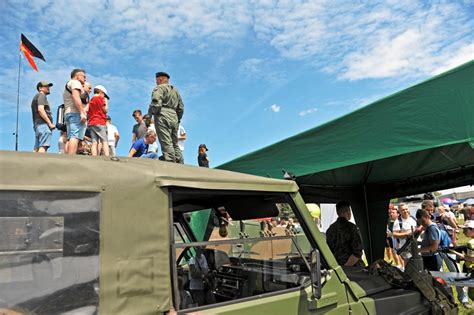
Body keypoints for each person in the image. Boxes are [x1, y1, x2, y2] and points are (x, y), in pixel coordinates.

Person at [148, 72, 184, 163]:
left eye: (156, 80)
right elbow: (181, 108)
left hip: (162, 115)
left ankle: (171, 164)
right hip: (174, 116)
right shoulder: (175, 91)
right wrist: (178, 119)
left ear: (160, 79)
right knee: (175, 144)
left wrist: (149, 116)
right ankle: (180, 163)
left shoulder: (159, 88)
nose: (156, 82)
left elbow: (156, 103)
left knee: (166, 142)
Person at [326, 201, 364, 267]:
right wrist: (346, 267)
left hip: (336, 268)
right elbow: (357, 253)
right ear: (348, 211)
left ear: (337, 212)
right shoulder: (352, 228)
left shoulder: (330, 230)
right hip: (354, 269)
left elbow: (329, 251)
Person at [64, 68, 87, 155]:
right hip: (75, 113)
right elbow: (76, 97)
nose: (85, 78)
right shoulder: (75, 83)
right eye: (83, 76)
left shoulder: (69, 83)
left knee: (70, 137)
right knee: (75, 136)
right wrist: (82, 112)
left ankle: (67, 158)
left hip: (69, 113)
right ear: (77, 76)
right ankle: (71, 159)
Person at [31, 81, 55, 153]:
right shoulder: (41, 95)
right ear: (40, 88)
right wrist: (49, 123)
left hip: (38, 125)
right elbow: (41, 110)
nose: (48, 88)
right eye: (46, 86)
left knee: (36, 149)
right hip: (43, 125)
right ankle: (40, 163)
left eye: (49, 86)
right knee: (43, 146)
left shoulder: (37, 97)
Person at [88, 85, 109, 156]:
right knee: (105, 141)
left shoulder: (91, 100)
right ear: (101, 92)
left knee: (94, 142)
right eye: (104, 95)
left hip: (91, 122)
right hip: (100, 122)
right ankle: (107, 156)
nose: (104, 97)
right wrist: (106, 102)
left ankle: (94, 156)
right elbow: (105, 110)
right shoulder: (99, 98)